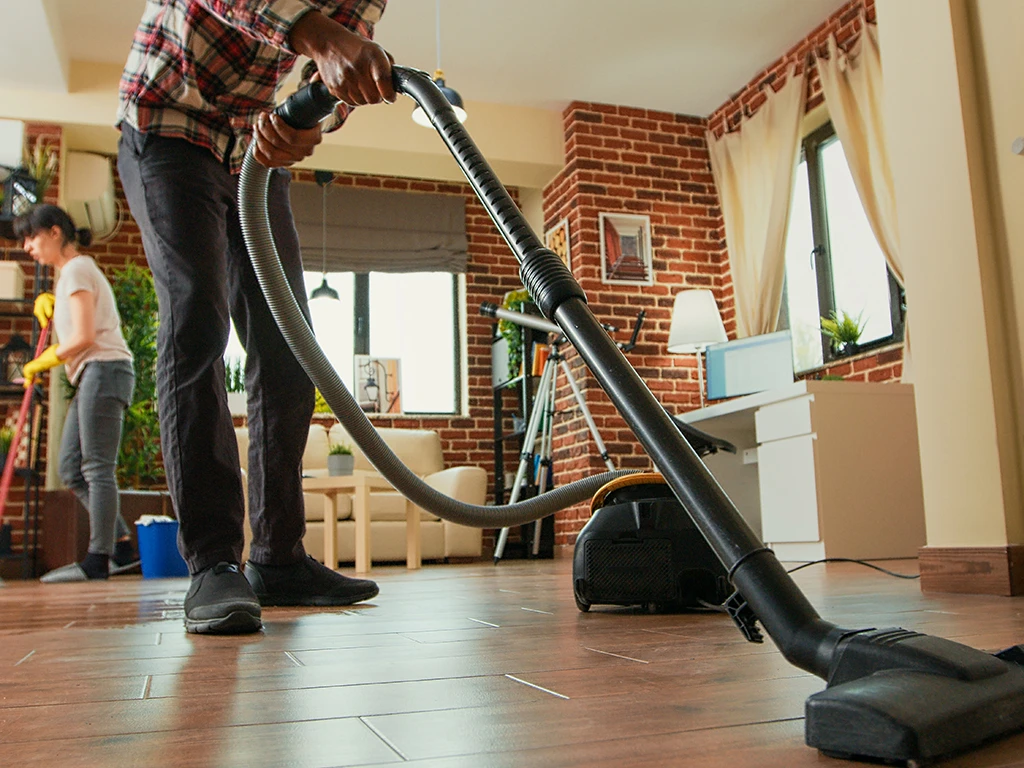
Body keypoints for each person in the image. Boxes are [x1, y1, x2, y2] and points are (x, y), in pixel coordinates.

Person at [115, 1, 395, 634]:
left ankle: (277, 557)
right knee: (197, 324)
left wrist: (315, 115)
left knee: (288, 343)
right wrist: (322, 40)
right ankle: (215, 564)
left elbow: (340, 67)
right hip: (167, 121)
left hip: (252, 150)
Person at [14, 205, 138, 583]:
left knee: (97, 467)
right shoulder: (70, 276)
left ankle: (97, 561)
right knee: (71, 467)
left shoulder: (79, 269)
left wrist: (41, 362)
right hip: (91, 373)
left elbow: (84, 337)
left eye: (32, 237)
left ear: (54, 232)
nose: (27, 247)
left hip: (104, 368)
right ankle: (120, 545)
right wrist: (52, 306)